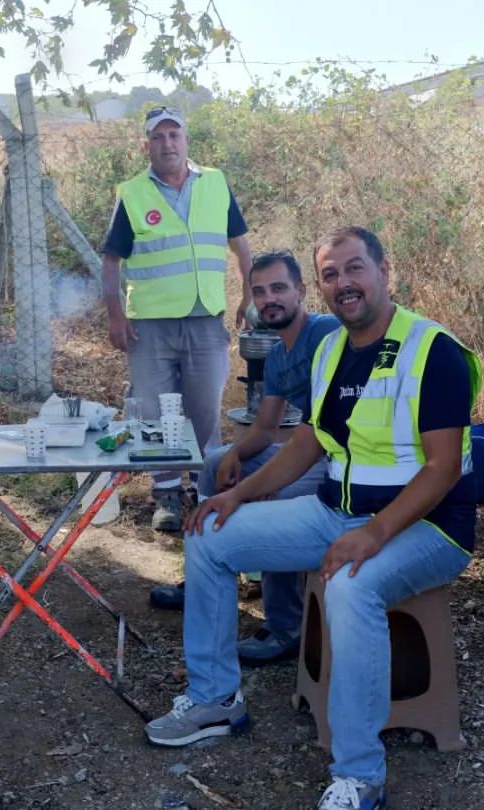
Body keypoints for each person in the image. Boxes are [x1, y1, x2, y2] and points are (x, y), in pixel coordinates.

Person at [144, 227, 482, 810]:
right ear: (320, 286)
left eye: (355, 268)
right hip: (337, 514)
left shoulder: (434, 351)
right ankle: (216, 699)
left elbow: (444, 467)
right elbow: (311, 442)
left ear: (384, 271)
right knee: (209, 536)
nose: (343, 284)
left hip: (427, 529)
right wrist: (237, 494)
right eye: (331, 274)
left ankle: (360, 774)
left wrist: (373, 534)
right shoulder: (330, 349)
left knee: (350, 584)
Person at [148, 250, 340, 665]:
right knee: (216, 461)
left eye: (279, 289)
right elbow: (267, 428)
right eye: (259, 291)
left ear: (301, 292)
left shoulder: (327, 332)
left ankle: (285, 626)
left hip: (338, 459)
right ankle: (203, 574)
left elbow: (319, 435)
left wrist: (264, 483)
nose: (269, 298)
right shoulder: (276, 357)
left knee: (281, 493)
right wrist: (236, 453)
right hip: (307, 450)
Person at [100, 106, 253, 531]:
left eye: (174, 135)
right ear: (146, 145)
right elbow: (111, 261)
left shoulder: (216, 184)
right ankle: (167, 494)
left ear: (186, 141)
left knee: (205, 409)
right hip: (148, 326)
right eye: (158, 137)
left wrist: (248, 295)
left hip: (205, 319)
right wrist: (115, 315)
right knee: (155, 411)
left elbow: (241, 247)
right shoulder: (132, 193)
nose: (167, 144)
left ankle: (207, 492)